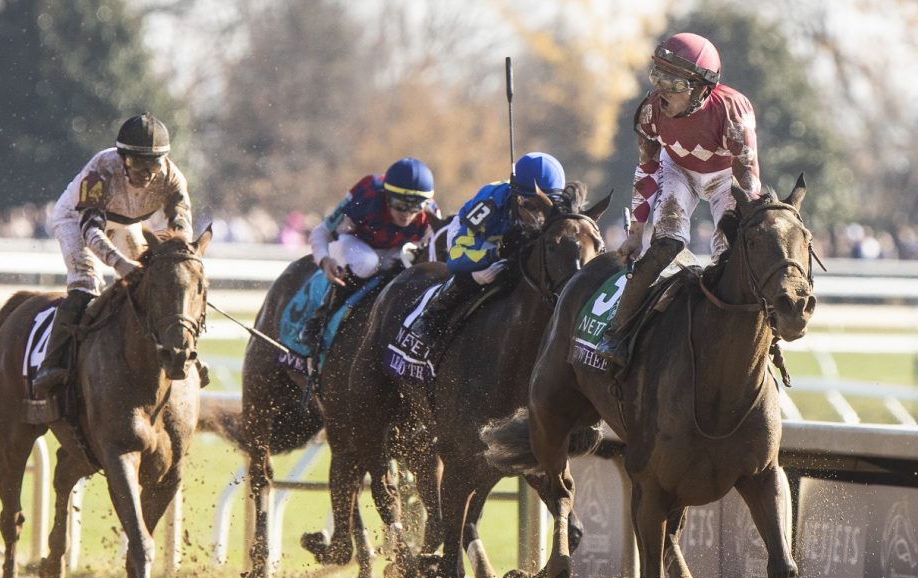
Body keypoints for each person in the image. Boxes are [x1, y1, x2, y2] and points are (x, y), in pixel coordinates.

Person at [596, 32, 762, 367]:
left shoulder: (733, 113)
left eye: (674, 86)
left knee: (729, 253)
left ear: (703, 88)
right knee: (665, 245)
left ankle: (760, 343)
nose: (662, 93)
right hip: (678, 171)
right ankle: (618, 332)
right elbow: (646, 171)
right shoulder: (649, 112)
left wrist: (747, 229)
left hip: (725, 177)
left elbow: (747, 184)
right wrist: (635, 233)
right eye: (658, 78)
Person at [32, 112, 194, 396]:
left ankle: (179, 352)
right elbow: (91, 231)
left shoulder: (172, 179)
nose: (145, 174)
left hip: (127, 223)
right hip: (76, 220)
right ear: (122, 158)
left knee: (157, 284)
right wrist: (121, 264)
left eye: (153, 164)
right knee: (86, 285)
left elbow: (183, 233)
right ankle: (52, 363)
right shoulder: (100, 170)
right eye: (136, 164)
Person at [408, 152, 566, 347]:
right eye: (529, 206)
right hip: (477, 237)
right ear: (515, 195)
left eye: (547, 207)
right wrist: (495, 253)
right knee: (489, 272)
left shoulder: (560, 213)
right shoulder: (490, 204)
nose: (538, 217)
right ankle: (433, 314)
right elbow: (456, 258)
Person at [300, 157, 438, 344]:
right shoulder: (366, 195)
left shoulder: (429, 213)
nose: (407, 213)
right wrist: (325, 260)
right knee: (368, 262)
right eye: (400, 205)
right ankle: (321, 316)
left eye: (415, 206)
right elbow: (322, 231)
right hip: (355, 244)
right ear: (387, 196)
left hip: (396, 251)